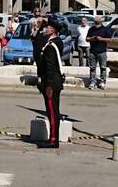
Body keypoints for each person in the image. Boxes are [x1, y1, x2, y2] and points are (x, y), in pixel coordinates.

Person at [36, 19, 65, 149]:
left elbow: (50, 66)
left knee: (52, 112)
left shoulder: (50, 47)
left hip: (51, 82)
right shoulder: (56, 43)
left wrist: (48, 84)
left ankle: (54, 140)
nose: (45, 29)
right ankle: (53, 137)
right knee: (53, 110)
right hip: (55, 81)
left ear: (52, 30)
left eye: (47, 28)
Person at [86, 16, 113, 90]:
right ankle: (92, 82)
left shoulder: (105, 29)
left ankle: (103, 82)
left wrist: (101, 39)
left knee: (103, 68)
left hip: (102, 51)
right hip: (93, 51)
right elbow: (87, 39)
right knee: (92, 68)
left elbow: (110, 40)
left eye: (97, 21)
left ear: (101, 22)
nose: (96, 22)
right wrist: (92, 38)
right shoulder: (91, 29)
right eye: (95, 21)